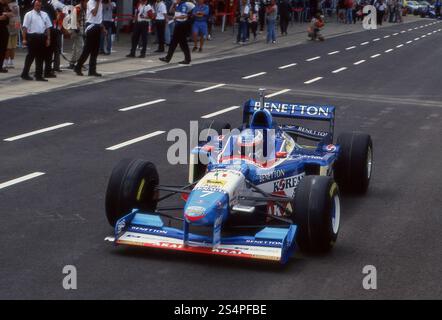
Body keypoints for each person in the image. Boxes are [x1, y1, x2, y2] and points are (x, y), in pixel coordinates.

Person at [21, 0, 52, 80]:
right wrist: (24, 39)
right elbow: (25, 27)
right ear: (34, 5)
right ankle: (25, 73)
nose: (38, 7)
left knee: (40, 57)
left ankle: (38, 75)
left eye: (39, 5)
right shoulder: (29, 14)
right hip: (32, 37)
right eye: (36, 5)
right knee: (30, 56)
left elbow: (48, 27)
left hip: (41, 36)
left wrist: (48, 38)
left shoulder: (44, 14)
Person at [74, 0, 106, 76]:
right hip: (91, 26)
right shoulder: (90, 2)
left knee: (95, 50)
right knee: (87, 49)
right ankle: (78, 66)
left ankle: (92, 70)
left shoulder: (100, 2)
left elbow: (99, 17)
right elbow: (94, 13)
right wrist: (98, 3)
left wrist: (103, 27)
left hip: (98, 26)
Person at [159, 0, 191, 64]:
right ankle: (168, 58)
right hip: (178, 25)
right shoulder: (178, 5)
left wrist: (176, 17)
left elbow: (185, 16)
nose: (175, 0)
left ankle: (187, 59)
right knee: (175, 43)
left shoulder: (183, 5)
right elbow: (170, 11)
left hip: (182, 25)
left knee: (182, 43)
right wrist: (173, 4)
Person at [66, 0, 87, 69]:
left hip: (78, 30)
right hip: (76, 30)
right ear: (82, 2)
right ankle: (79, 64)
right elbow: (74, 18)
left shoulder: (82, 8)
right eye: (86, 2)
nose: (87, 3)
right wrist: (77, 27)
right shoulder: (78, 8)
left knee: (75, 47)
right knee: (80, 47)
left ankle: (72, 63)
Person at [4, 0, 19, 69]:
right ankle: (10, 61)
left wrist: (5, 13)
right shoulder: (16, 5)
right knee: (12, 46)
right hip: (14, 27)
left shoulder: (11, 5)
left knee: (8, 46)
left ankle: (6, 61)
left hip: (10, 28)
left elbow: (12, 15)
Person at [0, 0, 12, 73]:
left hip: (4, 28)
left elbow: (11, 13)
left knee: (3, 48)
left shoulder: (6, 5)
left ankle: (0, 66)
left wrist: (8, 14)